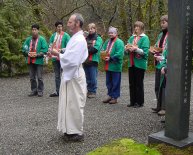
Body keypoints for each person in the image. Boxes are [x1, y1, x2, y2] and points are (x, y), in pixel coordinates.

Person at [51, 13, 88, 142]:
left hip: (75, 74)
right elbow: (69, 53)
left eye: (70, 22)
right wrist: (61, 53)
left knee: (75, 103)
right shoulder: (74, 38)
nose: (67, 24)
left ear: (77, 23)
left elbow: (72, 60)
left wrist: (58, 54)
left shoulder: (79, 39)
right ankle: (68, 129)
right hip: (70, 74)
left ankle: (77, 131)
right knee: (68, 102)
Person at [125, 21, 150, 108]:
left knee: (139, 83)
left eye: (138, 27)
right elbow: (127, 47)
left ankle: (139, 102)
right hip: (131, 63)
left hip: (140, 64)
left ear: (142, 28)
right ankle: (132, 101)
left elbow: (145, 52)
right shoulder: (132, 37)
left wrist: (136, 49)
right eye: (135, 27)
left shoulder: (145, 38)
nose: (136, 28)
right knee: (131, 83)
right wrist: (127, 48)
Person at [22, 24, 48, 97]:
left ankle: (40, 91)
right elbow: (24, 48)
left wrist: (37, 54)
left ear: (38, 30)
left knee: (39, 77)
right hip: (30, 60)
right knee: (32, 77)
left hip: (38, 60)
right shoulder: (28, 39)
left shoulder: (42, 39)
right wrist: (27, 53)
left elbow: (45, 50)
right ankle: (34, 90)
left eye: (35, 29)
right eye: (32, 29)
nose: (34, 31)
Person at [102, 26, 124, 104]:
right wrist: (103, 55)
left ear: (116, 33)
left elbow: (120, 53)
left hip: (115, 66)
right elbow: (103, 49)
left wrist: (111, 58)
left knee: (115, 82)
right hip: (108, 65)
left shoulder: (119, 42)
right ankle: (110, 95)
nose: (110, 34)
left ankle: (115, 97)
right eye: (109, 33)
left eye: (112, 33)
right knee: (108, 82)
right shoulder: (107, 41)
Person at [151, 15, 168, 115]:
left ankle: (164, 107)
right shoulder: (160, 34)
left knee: (164, 86)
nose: (162, 24)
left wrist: (163, 57)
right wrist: (153, 51)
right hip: (158, 62)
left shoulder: (172, 35)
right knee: (157, 86)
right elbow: (158, 46)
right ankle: (158, 105)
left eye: (164, 22)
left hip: (165, 63)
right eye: (161, 22)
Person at [49, 21, 70, 97]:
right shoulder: (53, 36)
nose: (59, 28)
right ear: (56, 27)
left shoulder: (66, 35)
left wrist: (62, 50)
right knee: (57, 75)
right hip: (55, 58)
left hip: (63, 58)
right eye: (58, 26)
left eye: (61, 26)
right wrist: (50, 51)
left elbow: (69, 46)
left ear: (62, 27)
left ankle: (65, 91)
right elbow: (50, 45)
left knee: (64, 74)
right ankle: (58, 91)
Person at [83, 23, 103, 98]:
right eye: (89, 29)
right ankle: (89, 90)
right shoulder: (85, 38)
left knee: (92, 76)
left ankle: (93, 91)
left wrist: (85, 50)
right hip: (85, 59)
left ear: (95, 29)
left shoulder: (98, 38)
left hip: (93, 59)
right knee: (87, 77)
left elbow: (95, 49)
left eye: (92, 28)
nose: (90, 30)